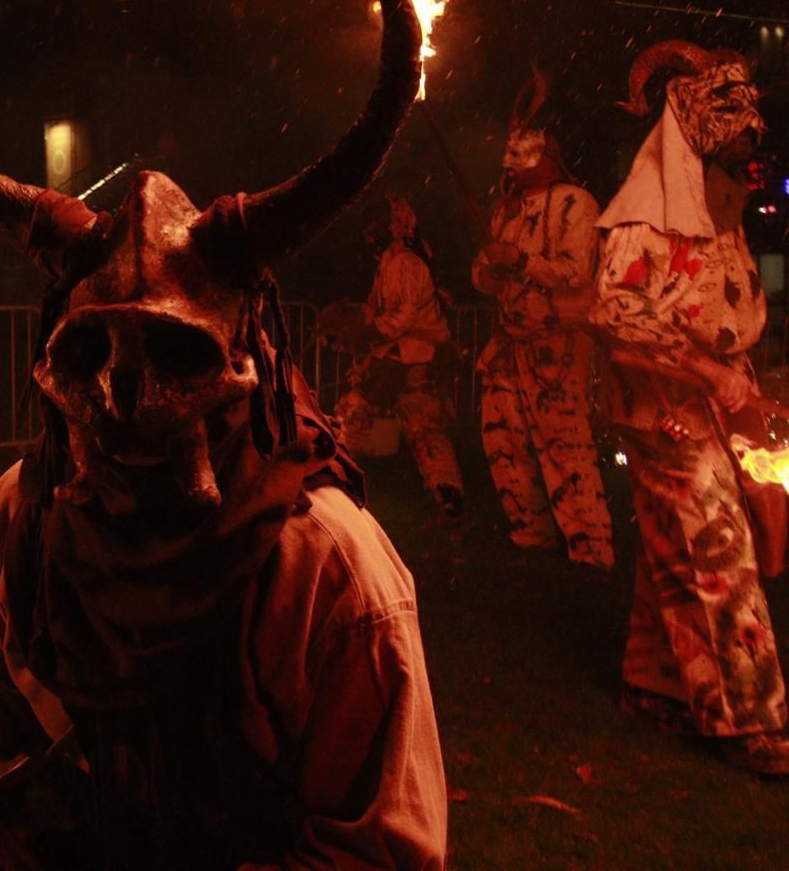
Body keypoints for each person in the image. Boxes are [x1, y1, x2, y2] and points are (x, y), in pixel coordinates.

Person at [0, 0, 446, 869]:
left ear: (243, 354)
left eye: (174, 355)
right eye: (90, 354)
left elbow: (376, 855)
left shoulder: (329, 571)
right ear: (53, 359)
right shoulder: (23, 511)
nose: (125, 402)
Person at [590, 40, 789, 775]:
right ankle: (749, 720)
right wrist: (705, 371)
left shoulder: (717, 208)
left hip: (712, 408)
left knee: (675, 548)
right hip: (662, 411)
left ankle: (656, 688)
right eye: (730, 114)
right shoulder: (643, 217)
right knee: (718, 550)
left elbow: (722, 305)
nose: (750, 132)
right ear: (689, 120)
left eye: (752, 115)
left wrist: (741, 379)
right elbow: (615, 313)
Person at [471, 71, 612, 570]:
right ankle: (530, 534)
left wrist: (521, 263)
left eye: (525, 148)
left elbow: (576, 274)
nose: (513, 159)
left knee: (564, 446)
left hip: (558, 343)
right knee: (503, 438)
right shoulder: (506, 208)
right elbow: (484, 274)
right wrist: (489, 270)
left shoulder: (578, 204)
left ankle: (590, 550)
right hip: (509, 345)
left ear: (549, 152)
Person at [333, 195, 465, 521]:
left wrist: (364, 333)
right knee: (357, 416)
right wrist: (351, 316)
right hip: (397, 357)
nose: (369, 229)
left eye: (377, 221)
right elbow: (378, 311)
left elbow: (398, 319)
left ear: (395, 225)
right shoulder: (389, 262)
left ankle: (448, 497)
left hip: (416, 359)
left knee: (422, 429)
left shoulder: (406, 263)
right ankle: (337, 483)